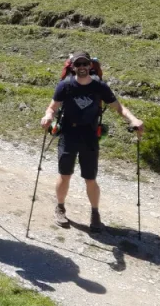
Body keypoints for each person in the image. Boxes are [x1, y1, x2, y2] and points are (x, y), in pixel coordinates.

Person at [40, 51, 143, 233]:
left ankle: (95, 213)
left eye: (84, 64)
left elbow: (118, 108)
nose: (81, 67)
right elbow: (52, 107)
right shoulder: (65, 85)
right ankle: (60, 208)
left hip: (89, 135)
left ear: (90, 66)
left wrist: (133, 120)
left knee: (90, 178)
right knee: (65, 175)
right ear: (73, 67)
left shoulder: (99, 86)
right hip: (68, 134)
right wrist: (48, 116)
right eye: (78, 64)